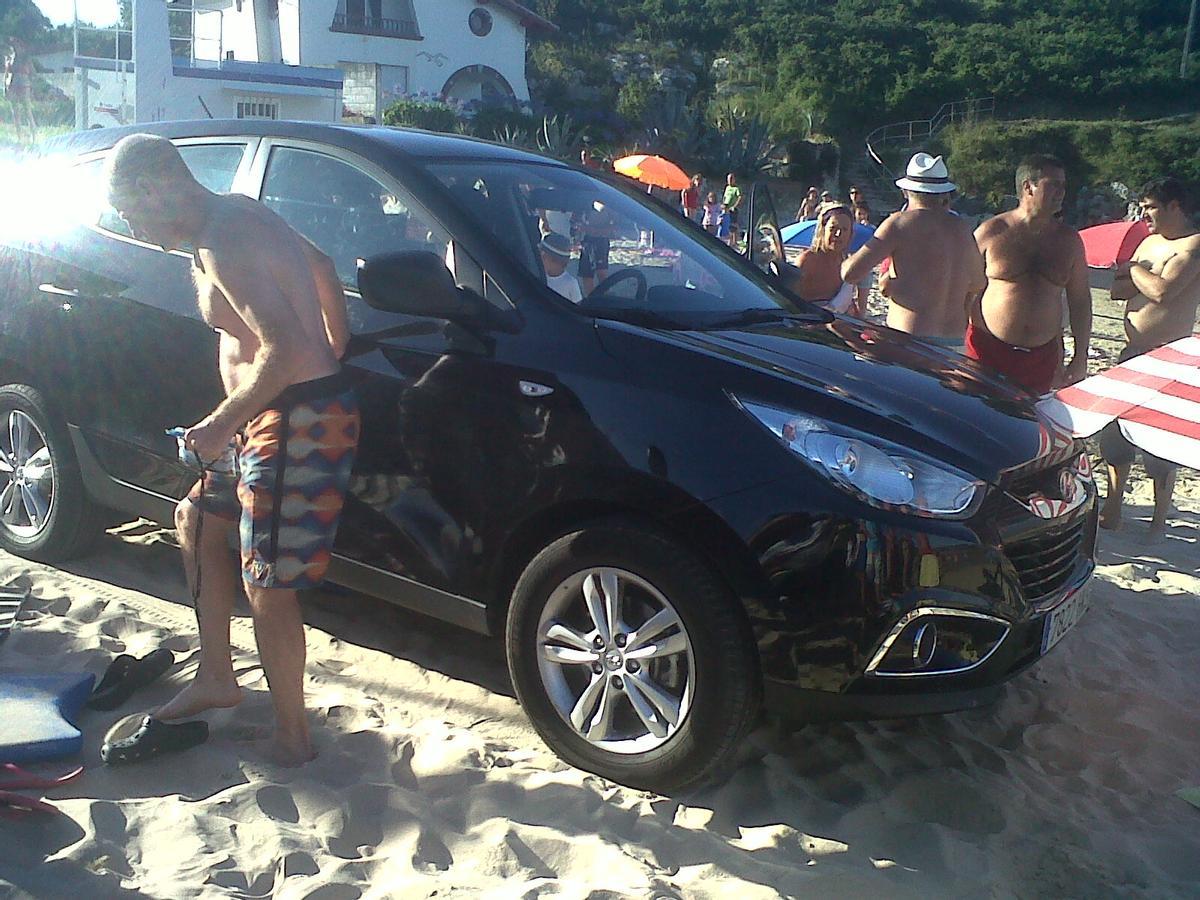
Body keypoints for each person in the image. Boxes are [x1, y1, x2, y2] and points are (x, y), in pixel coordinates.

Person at [106, 134, 360, 766]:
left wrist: (222, 424)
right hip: (269, 409)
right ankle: (216, 675)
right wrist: (337, 342)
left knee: (267, 580)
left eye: (133, 215)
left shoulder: (224, 240)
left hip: (294, 415)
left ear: (157, 186)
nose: (137, 231)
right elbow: (324, 267)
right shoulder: (239, 212)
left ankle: (292, 738)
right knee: (194, 518)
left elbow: (283, 349)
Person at [1100, 177, 1200, 535]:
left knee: (1159, 444)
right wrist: (1139, 271)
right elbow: (1116, 290)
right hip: (1133, 352)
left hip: (1169, 357)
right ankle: (1112, 510)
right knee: (1115, 436)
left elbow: (1162, 292)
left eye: (1151, 207)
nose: (1144, 215)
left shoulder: (1194, 245)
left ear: (1175, 206)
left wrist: (1135, 269)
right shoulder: (1148, 241)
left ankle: (1158, 522)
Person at [967, 154, 1092, 393]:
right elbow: (963, 290)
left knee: (1029, 427)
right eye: (1053, 184)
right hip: (986, 351)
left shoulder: (1069, 241)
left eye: (1063, 186)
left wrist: (1080, 356)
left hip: (1042, 358)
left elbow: (1080, 301)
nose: (1061, 192)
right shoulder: (992, 232)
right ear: (1028, 187)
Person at [842, 153, 985, 352]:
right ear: (944, 194)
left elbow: (851, 274)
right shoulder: (962, 228)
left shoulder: (899, 224)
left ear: (905, 191)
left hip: (908, 339)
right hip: (954, 342)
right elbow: (978, 282)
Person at [781, 202, 862, 315]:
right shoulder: (807, 261)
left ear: (850, 234)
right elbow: (789, 304)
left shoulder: (846, 263)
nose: (838, 234)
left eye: (844, 230)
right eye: (833, 228)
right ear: (823, 230)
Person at [3, 38, 36, 143]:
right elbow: (6, 74)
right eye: (13, 45)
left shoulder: (26, 58)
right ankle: (19, 137)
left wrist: (32, 87)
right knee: (15, 113)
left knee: (27, 111)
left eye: (16, 44)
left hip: (24, 85)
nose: (14, 47)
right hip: (12, 85)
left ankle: (33, 136)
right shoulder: (9, 58)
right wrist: (5, 87)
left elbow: (33, 73)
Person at [539, 231, 582, 303]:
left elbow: (578, 306)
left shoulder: (571, 283)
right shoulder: (540, 277)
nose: (540, 259)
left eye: (543, 256)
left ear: (556, 260)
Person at [722, 173, 743, 246]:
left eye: (731, 179)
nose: (730, 181)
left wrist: (734, 206)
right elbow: (725, 197)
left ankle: (734, 241)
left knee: (733, 225)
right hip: (726, 208)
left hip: (733, 209)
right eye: (728, 179)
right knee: (727, 224)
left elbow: (739, 197)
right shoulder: (727, 187)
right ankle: (730, 240)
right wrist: (723, 204)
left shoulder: (736, 188)